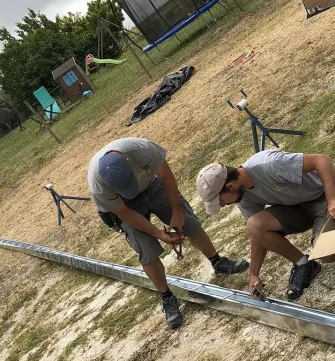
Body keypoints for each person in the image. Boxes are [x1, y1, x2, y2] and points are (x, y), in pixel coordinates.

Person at [88, 138, 249, 329]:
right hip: (126, 204)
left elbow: (167, 177)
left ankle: (218, 262)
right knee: (146, 250)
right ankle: (167, 297)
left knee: (189, 223)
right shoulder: (98, 185)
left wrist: (177, 212)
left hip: (152, 185)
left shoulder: (141, 149)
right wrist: (158, 234)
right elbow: (125, 214)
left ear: (130, 164)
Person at [196, 151, 335, 300]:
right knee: (253, 226)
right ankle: (303, 264)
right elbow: (256, 235)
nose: (223, 206)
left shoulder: (269, 164)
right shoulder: (243, 198)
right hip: (294, 209)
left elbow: (321, 160)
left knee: (327, 254)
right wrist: (254, 274)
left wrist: (333, 199)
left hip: (322, 199)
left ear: (229, 187)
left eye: (221, 201)